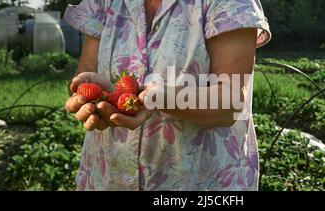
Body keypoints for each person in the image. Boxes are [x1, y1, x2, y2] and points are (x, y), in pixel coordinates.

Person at [64, 0, 271, 191]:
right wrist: (89, 92)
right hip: (108, 178)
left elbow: (230, 102)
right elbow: (88, 70)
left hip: (200, 182)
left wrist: (159, 98)